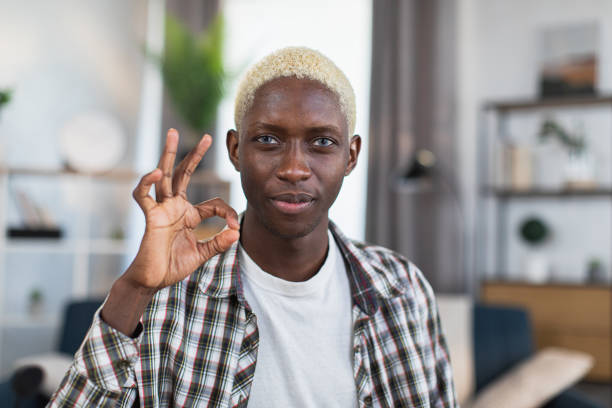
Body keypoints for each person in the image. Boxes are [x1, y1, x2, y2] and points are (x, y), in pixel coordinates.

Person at [48, 47, 457, 407]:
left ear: (351, 156)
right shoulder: (166, 297)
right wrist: (133, 289)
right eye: (267, 140)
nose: (294, 169)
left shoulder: (403, 289)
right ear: (235, 150)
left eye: (322, 142)